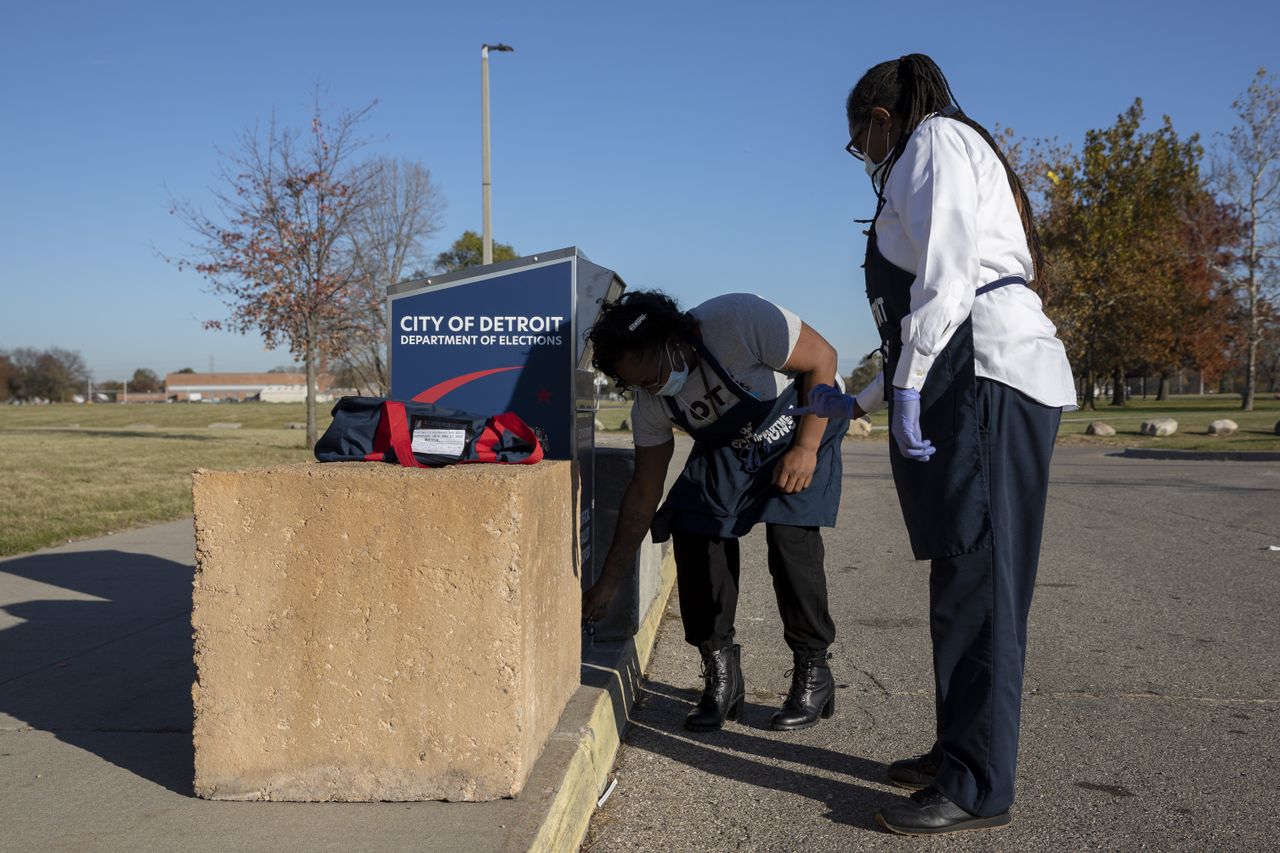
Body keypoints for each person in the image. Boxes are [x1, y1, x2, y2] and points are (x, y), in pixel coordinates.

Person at [791, 54, 1076, 835]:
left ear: (882, 119)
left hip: (985, 373)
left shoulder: (936, 142)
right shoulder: (933, 152)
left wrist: (911, 384)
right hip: (971, 370)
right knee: (964, 572)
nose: (866, 159)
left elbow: (948, 282)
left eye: (861, 143)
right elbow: (923, 314)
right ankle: (962, 748)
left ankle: (979, 781)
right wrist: (871, 395)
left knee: (977, 581)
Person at [582, 290, 849, 733]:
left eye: (652, 375)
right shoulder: (652, 403)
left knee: (789, 536)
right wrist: (608, 581)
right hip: (734, 443)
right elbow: (644, 491)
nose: (651, 389)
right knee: (692, 522)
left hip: (802, 419)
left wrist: (806, 448)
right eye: (638, 385)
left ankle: (813, 671)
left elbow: (823, 358)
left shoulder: (736, 320)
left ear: (671, 341)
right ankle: (721, 674)